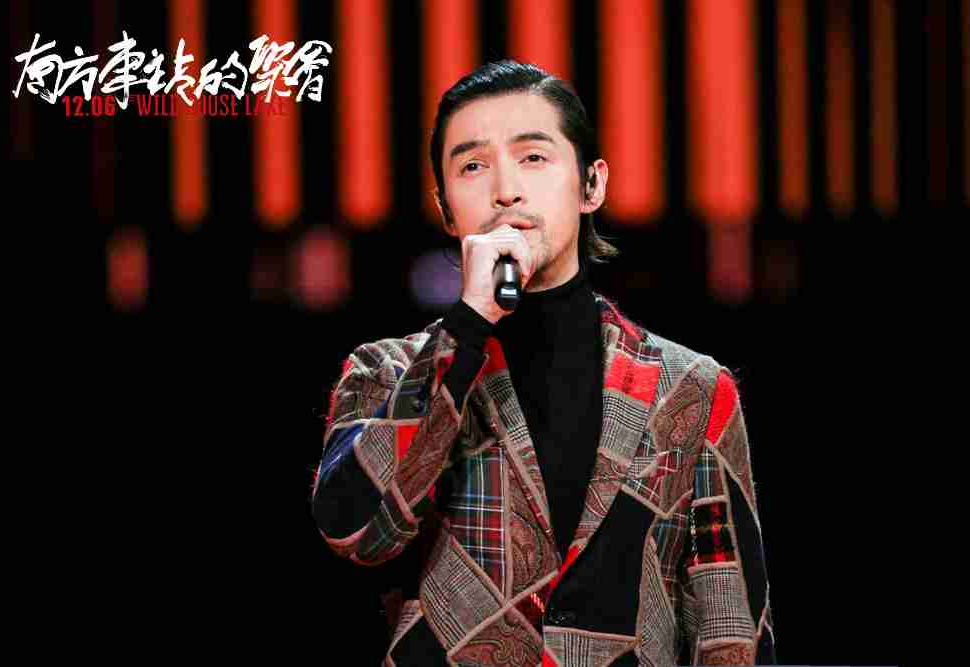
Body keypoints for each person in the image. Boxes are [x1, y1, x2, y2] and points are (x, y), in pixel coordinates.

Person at [310, 60, 775, 666]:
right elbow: (356, 529)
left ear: (591, 186)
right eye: (472, 166)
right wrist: (469, 325)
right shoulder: (388, 373)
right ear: (445, 208)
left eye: (533, 157)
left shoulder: (690, 389)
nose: (505, 189)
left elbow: (730, 629)